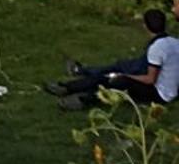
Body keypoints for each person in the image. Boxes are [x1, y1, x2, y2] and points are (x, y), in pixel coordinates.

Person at [49, 8, 179, 109]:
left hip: (158, 94)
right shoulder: (174, 42)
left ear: (145, 26)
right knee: (109, 77)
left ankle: (82, 98)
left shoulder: (157, 48)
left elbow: (150, 79)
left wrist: (125, 76)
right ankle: (70, 88)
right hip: (169, 91)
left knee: (117, 81)